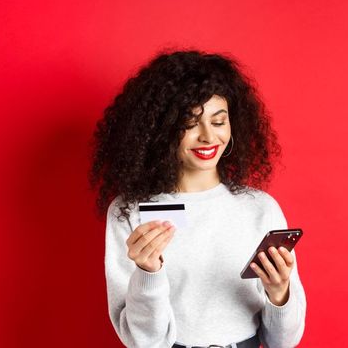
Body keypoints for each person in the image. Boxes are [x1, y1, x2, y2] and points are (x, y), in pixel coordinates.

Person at [89, 50, 306, 348]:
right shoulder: (130, 212)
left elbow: (284, 342)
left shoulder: (260, 209)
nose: (207, 137)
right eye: (190, 123)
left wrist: (279, 292)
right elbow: (143, 342)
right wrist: (148, 274)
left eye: (219, 122)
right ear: (162, 130)